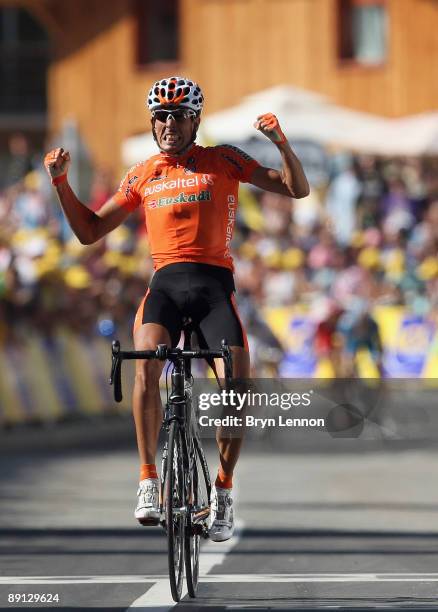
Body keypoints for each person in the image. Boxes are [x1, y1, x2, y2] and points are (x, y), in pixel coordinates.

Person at [44, 76, 309, 542]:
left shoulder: (223, 159)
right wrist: (61, 183)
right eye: (161, 117)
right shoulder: (143, 173)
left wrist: (281, 144)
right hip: (165, 288)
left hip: (214, 290)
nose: (169, 124)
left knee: (235, 389)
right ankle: (148, 480)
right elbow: (88, 232)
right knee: (145, 365)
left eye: (178, 115)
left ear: (194, 121)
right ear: (153, 124)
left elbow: (296, 189)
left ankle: (223, 492)